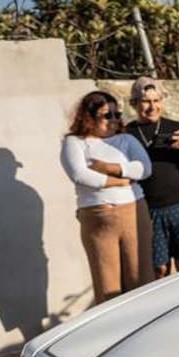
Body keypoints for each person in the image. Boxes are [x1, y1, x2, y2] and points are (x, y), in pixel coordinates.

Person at [61, 91, 153, 304]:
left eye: (116, 114)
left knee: (140, 277)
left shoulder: (126, 139)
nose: (113, 120)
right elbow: (80, 175)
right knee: (107, 286)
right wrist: (120, 181)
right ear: (89, 117)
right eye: (106, 115)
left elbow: (144, 168)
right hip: (98, 216)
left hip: (133, 212)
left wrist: (108, 168)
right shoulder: (75, 142)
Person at [125, 77, 179, 279]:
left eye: (156, 100)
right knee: (158, 270)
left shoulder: (177, 128)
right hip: (148, 211)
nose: (152, 107)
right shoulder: (127, 134)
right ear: (134, 103)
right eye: (146, 101)